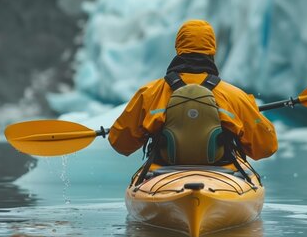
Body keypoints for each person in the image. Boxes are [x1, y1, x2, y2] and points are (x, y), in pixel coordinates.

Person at [108, 19, 277, 165]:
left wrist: (148, 127)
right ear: (212, 51)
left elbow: (120, 143)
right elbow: (266, 147)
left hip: (163, 175)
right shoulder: (234, 95)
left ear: (178, 47)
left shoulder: (150, 93)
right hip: (223, 175)